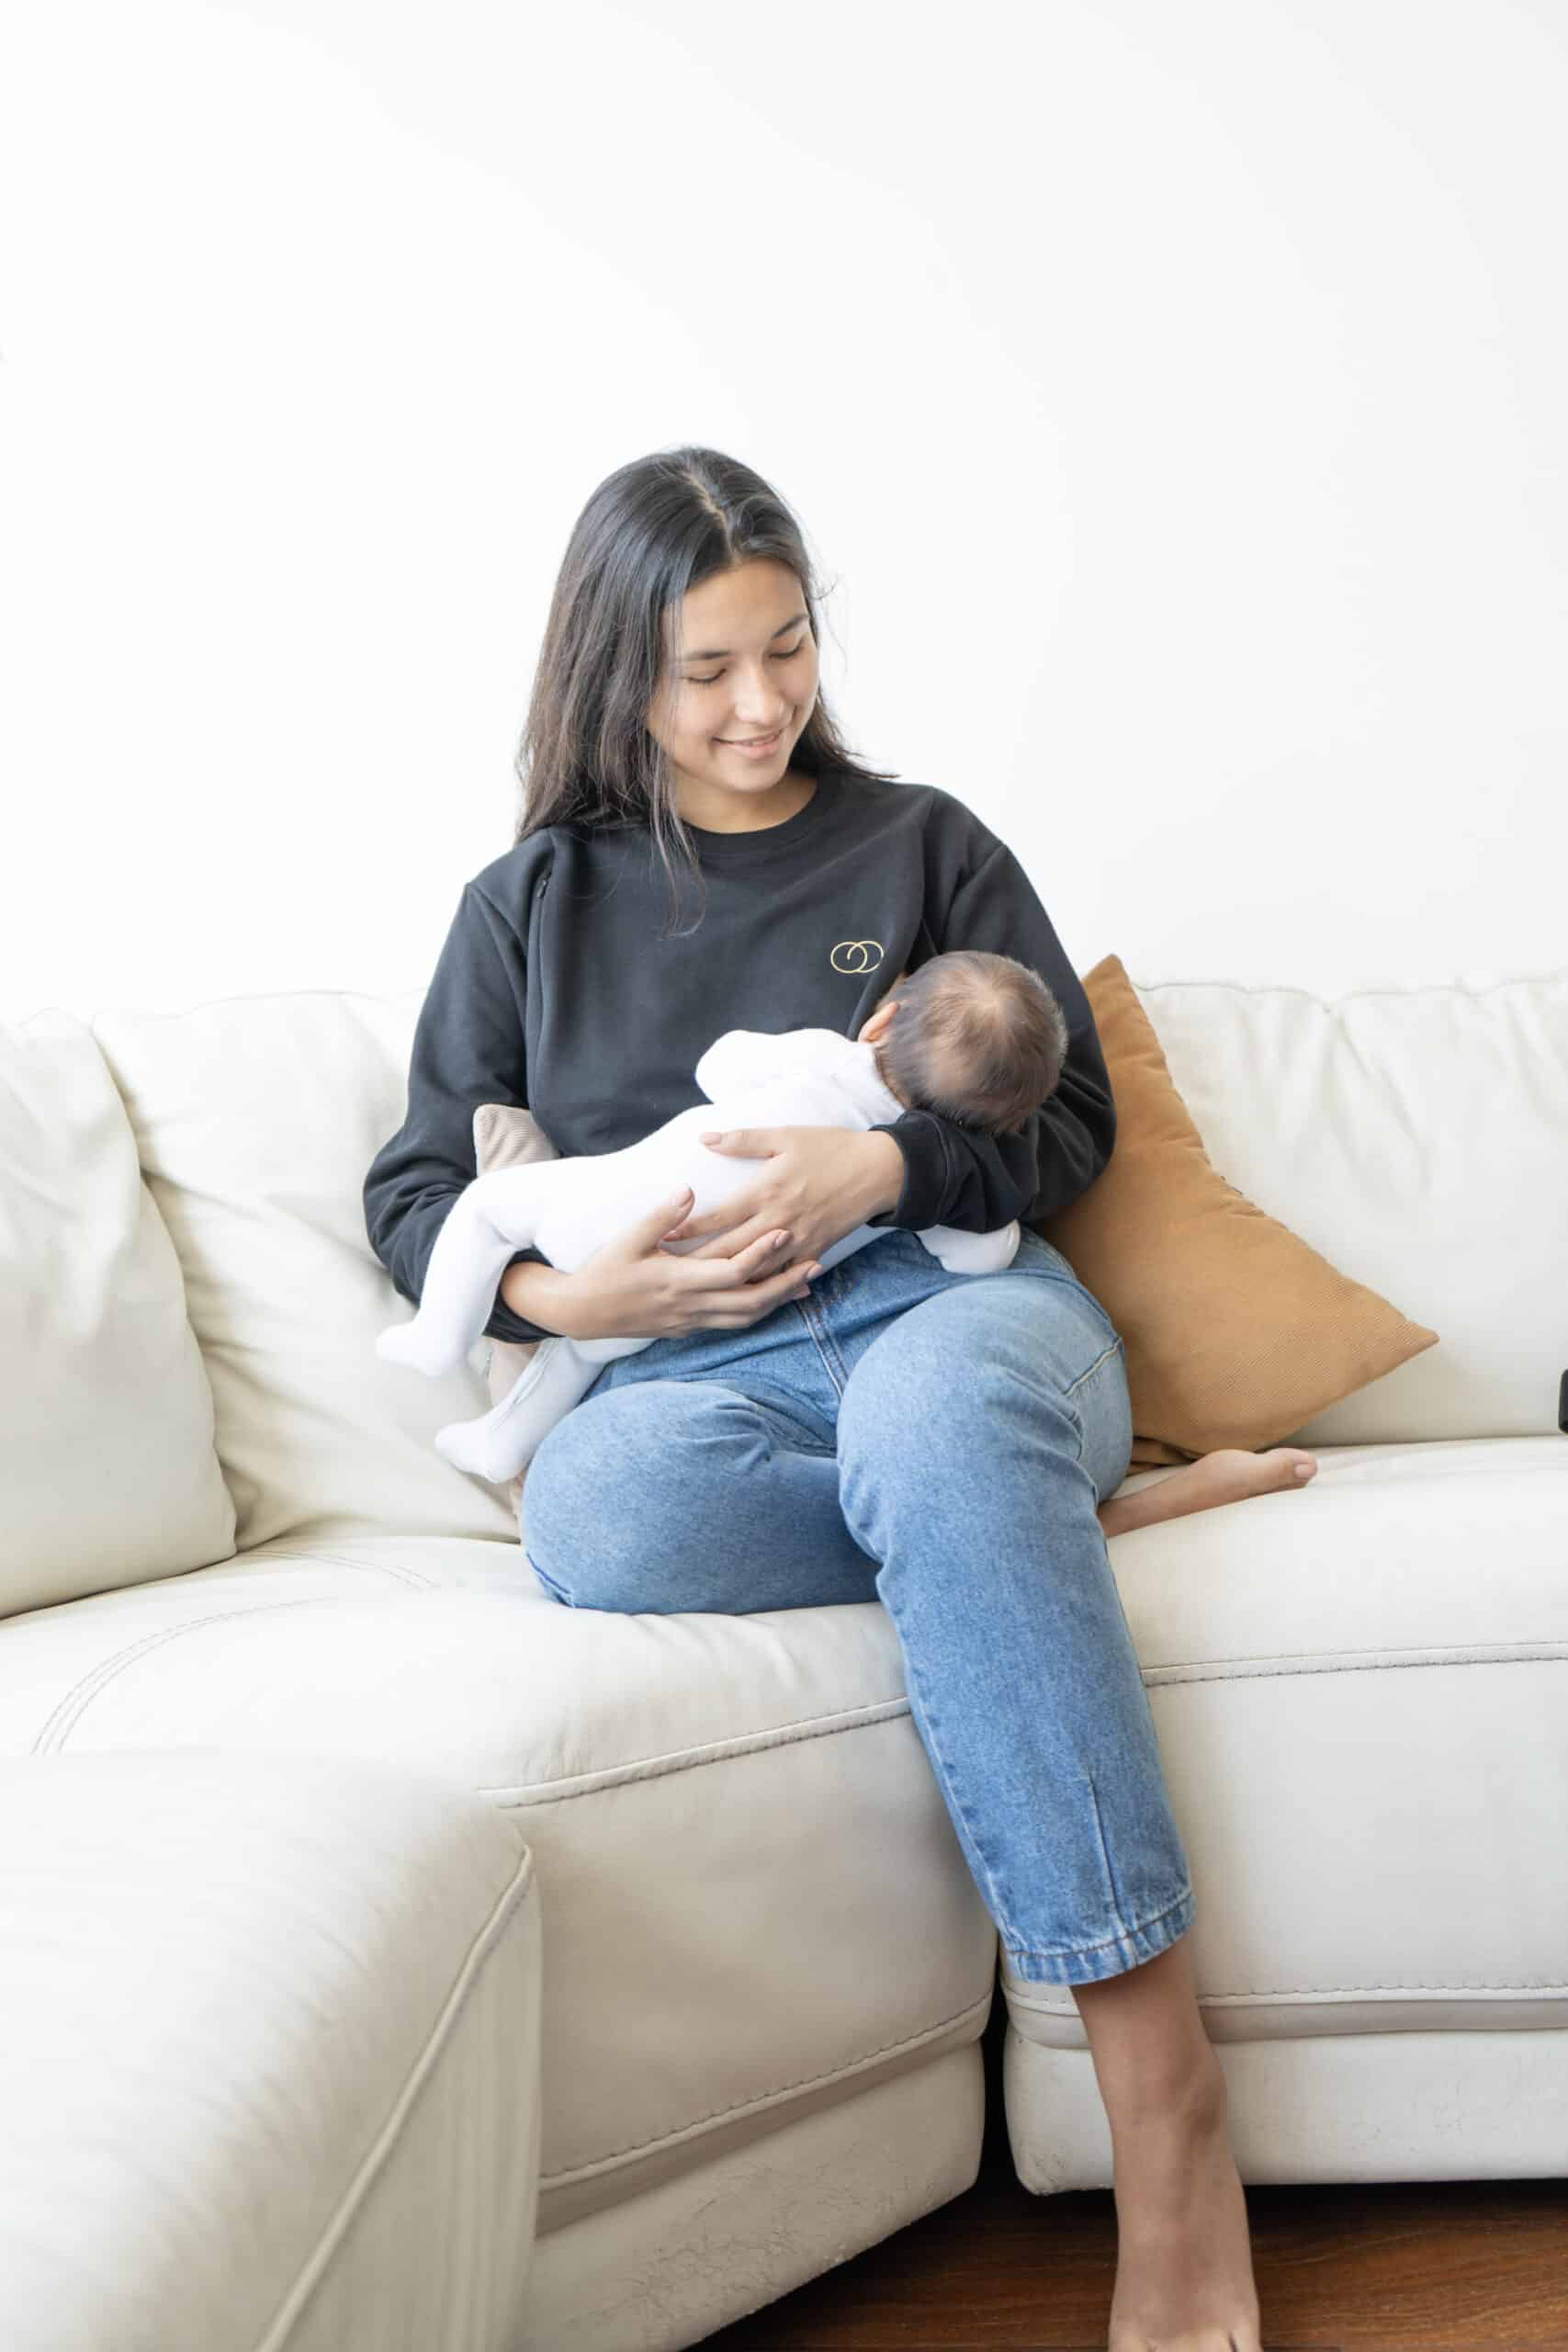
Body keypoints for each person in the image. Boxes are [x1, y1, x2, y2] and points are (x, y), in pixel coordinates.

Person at [364, 445, 1275, 2352]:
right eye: (706, 668)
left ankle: (1166, 2113)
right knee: (596, 1518)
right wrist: (568, 1293)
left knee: (938, 1427)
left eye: (784, 646)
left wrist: (888, 1166)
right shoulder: (529, 901)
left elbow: (1072, 1124)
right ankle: (1022, 1523)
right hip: (699, 1369)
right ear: (614, 672)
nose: (760, 701)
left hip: (957, 1306)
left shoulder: (924, 842)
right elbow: (417, 1190)